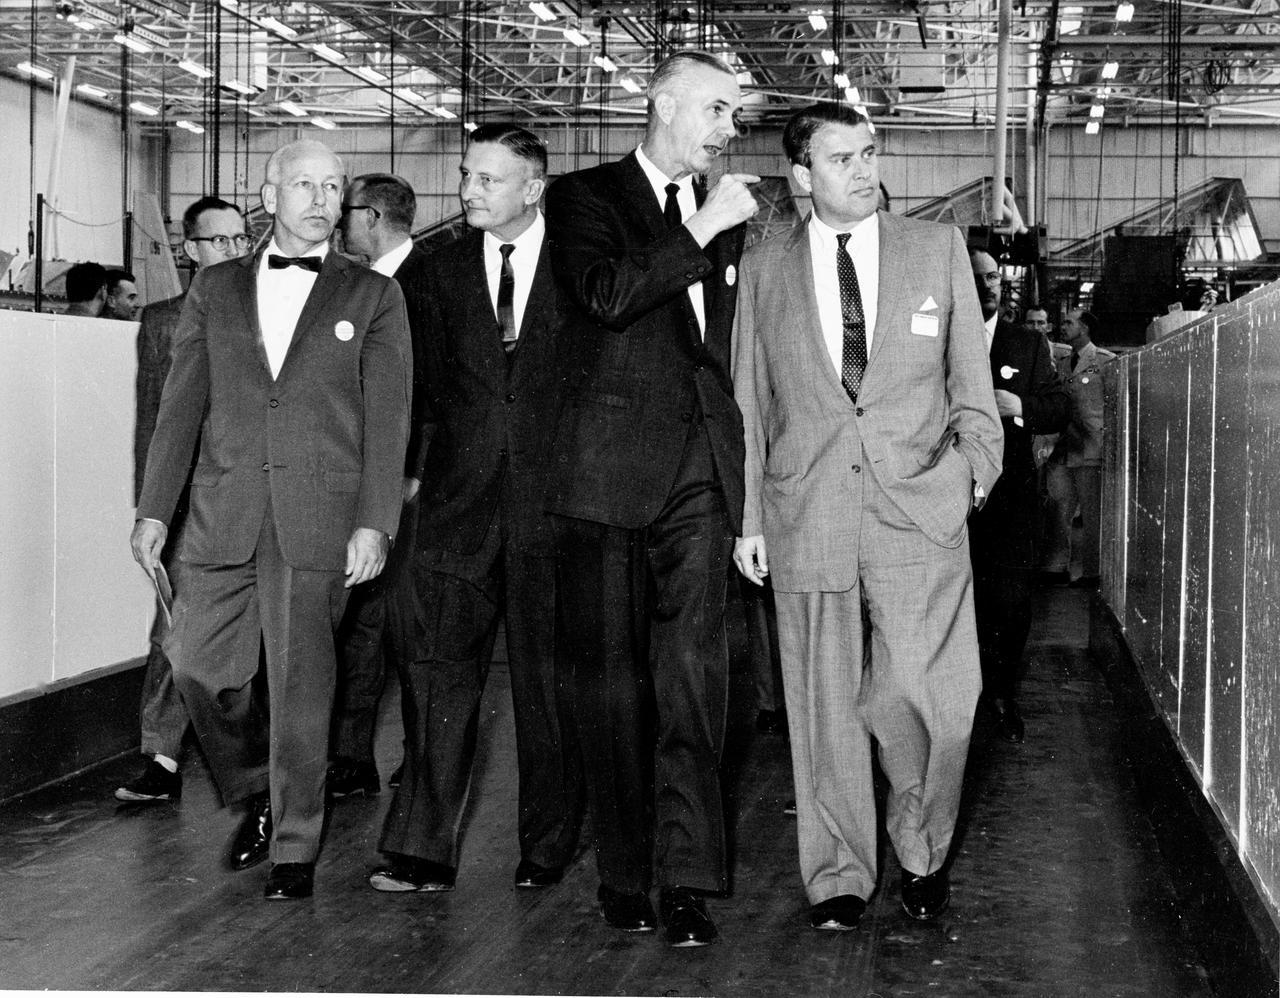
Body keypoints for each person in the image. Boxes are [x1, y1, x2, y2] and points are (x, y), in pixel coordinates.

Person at [732, 102, 1002, 932]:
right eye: (840, 158)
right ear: (801, 176)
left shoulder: (936, 249)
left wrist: (967, 481)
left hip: (920, 511)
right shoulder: (765, 262)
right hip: (805, 511)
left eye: (869, 152)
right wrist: (749, 518)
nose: (863, 169)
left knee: (937, 700)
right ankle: (839, 873)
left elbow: (974, 395)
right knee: (822, 709)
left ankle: (921, 849)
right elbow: (751, 401)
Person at [130, 139, 411, 901]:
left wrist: (374, 523)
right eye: (304, 184)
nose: (321, 199)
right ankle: (257, 784)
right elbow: (180, 403)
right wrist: (156, 507)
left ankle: (294, 846)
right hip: (222, 513)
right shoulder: (214, 289)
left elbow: (389, 423)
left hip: (320, 518)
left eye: (333, 186)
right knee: (193, 664)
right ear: (268, 191)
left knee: (300, 688)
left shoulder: (373, 295)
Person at [544, 49, 758, 947]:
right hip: (604, 471)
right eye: (714, 109)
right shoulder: (586, 197)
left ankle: (686, 882)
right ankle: (625, 874)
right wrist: (705, 227)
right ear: (664, 106)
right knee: (610, 686)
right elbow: (606, 294)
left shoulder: (734, 215)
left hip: (703, 470)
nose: (728, 129)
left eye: (734, 116)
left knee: (692, 680)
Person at [367, 123, 584, 897]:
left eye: (488, 179)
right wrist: (403, 481)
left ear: (534, 186)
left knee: (546, 684)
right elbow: (411, 388)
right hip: (455, 511)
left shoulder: (580, 263)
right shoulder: (433, 270)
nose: (468, 191)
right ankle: (422, 848)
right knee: (435, 678)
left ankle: (548, 846)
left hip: (555, 509)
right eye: (466, 176)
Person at [116, 196, 252, 803]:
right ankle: (161, 757)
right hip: (193, 507)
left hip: (261, 495)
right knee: (175, 628)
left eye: (239, 239)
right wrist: (154, 508)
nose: (231, 250)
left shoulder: (274, 305)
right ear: (189, 252)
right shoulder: (164, 320)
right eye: (216, 241)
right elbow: (156, 418)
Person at [326, 172, 434, 799]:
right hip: (363, 482)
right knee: (362, 622)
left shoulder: (427, 279)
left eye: (345, 212)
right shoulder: (351, 286)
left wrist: (412, 472)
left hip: (413, 487)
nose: (339, 224)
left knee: (416, 633)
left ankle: (422, 763)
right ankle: (351, 757)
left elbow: (435, 386)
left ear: (368, 216)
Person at [967, 256, 1070, 743]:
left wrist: (1020, 406)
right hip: (949, 501)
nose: (985, 285)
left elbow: (1058, 409)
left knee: (1008, 605)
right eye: (974, 275)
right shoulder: (934, 337)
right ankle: (960, 702)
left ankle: (1002, 696)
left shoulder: (1028, 344)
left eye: (991, 276)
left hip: (1010, 504)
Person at [1041, 308, 1114, 588]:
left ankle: (1092, 572)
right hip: (1063, 446)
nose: (1063, 326)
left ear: (1084, 328)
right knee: (1059, 507)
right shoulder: (1060, 361)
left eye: (1069, 322)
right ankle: (1057, 565)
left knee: (1093, 514)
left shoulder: (1104, 361)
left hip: (1091, 448)